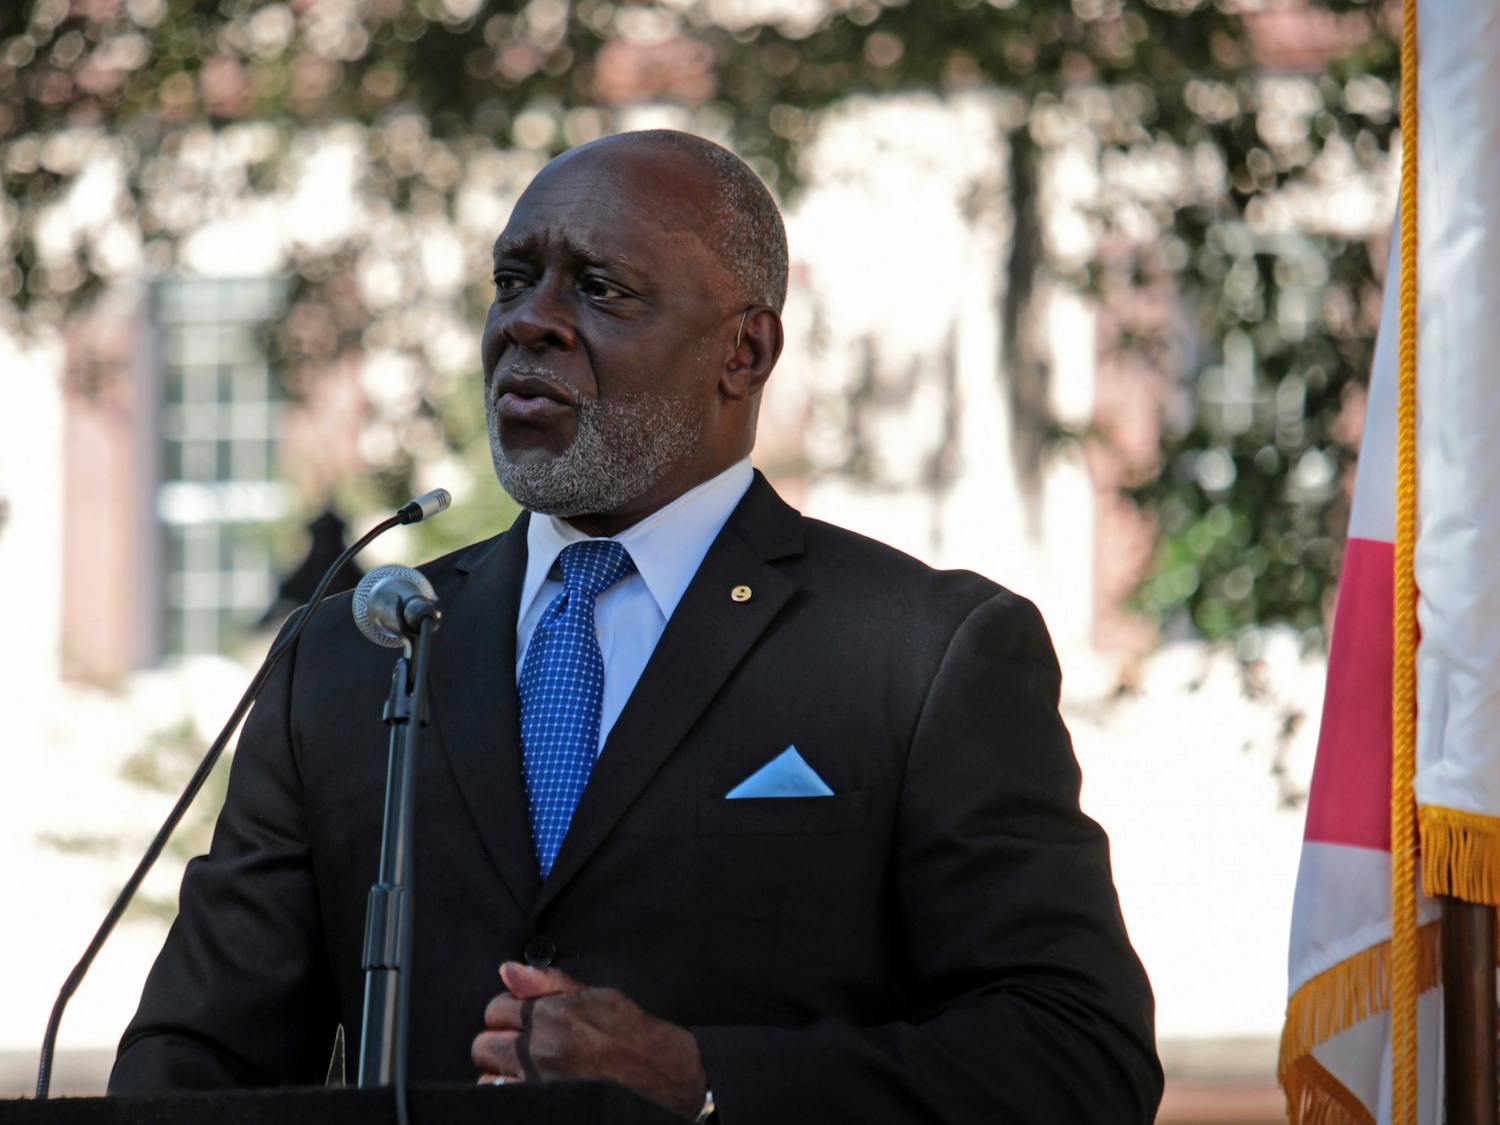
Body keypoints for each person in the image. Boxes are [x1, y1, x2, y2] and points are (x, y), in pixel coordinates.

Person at [111, 130, 1162, 1122]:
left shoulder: (922, 653)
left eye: (600, 289)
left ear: (744, 353)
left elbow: (1079, 1055)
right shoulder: (353, 655)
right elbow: (195, 1070)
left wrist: (703, 1082)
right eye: (513, 282)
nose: (533, 321)